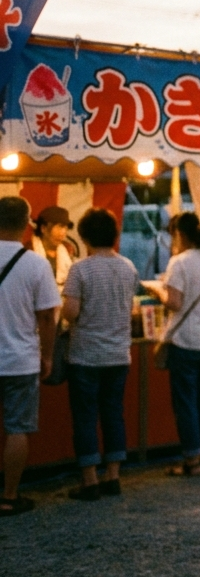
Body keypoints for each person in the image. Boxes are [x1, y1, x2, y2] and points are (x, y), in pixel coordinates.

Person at [62, 208, 137, 501]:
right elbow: (129, 308)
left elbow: (71, 312)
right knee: (113, 414)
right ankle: (114, 476)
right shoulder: (128, 267)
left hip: (86, 356)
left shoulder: (80, 269)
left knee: (85, 417)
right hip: (118, 354)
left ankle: (90, 480)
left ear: (85, 236)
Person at [153, 213, 200, 477]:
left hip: (186, 341)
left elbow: (174, 302)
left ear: (179, 235)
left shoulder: (179, 262)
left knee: (186, 402)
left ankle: (191, 461)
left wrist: (158, 291)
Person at [0, 197, 59, 517]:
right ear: (27, 224)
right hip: (20, 360)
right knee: (16, 429)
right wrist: (47, 356)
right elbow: (48, 318)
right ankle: (9, 496)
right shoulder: (36, 263)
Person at [31, 205, 74, 290]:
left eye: (66, 228)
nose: (63, 233)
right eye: (60, 227)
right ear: (43, 228)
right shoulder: (29, 251)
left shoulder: (68, 250)